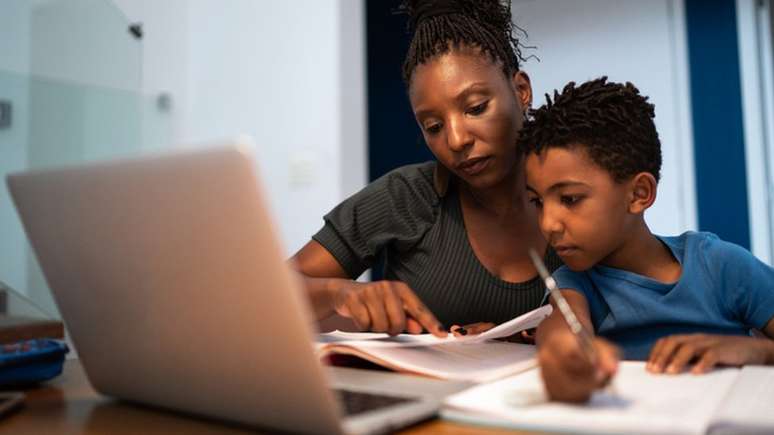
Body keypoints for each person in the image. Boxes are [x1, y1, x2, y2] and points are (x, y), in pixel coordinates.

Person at [290, 0, 562, 338]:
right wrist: (338, 293)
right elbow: (275, 289)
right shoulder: (405, 197)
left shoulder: (577, 190)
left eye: (476, 108)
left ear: (521, 91)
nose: (457, 140)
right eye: (433, 126)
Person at [519, 77, 774, 402]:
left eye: (569, 199)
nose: (548, 224)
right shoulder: (575, 282)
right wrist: (566, 351)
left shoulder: (720, 265)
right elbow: (565, 327)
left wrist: (757, 352)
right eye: (537, 202)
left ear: (639, 193)